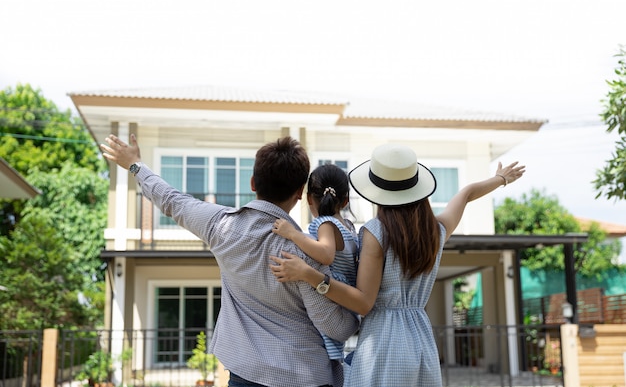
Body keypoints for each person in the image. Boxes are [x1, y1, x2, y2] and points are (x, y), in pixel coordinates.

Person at [100, 134, 359, 387]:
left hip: (244, 373)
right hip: (302, 376)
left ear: (253, 183)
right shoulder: (304, 254)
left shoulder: (220, 226)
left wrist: (135, 166)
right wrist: (356, 317)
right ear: (300, 193)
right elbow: (336, 327)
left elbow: (172, 201)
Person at [269, 143, 525, 387]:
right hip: (421, 339)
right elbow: (465, 194)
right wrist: (500, 179)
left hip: (382, 344)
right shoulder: (435, 230)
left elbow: (363, 302)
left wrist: (310, 276)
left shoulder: (375, 232)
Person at [271, 163, 359, 363]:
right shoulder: (349, 226)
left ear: (309, 198)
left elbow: (326, 255)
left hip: (334, 299)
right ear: (345, 201)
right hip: (347, 303)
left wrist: (293, 234)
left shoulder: (325, 224)